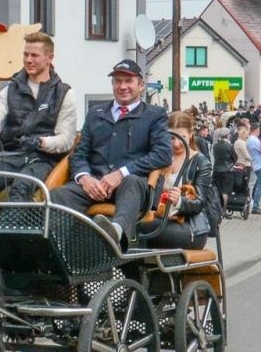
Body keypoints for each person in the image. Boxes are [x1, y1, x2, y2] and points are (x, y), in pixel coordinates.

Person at [49, 59, 172, 247]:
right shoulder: (95, 113)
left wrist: (121, 173)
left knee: (131, 182)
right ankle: (56, 249)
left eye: (128, 81)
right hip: (95, 184)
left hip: (133, 185)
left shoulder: (154, 114)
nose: (122, 86)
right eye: (118, 81)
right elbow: (79, 154)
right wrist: (84, 178)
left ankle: (114, 234)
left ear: (141, 85)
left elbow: (163, 154)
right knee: (59, 195)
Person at [0, 31, 79, 199]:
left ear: (49, 58)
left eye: (34, 55)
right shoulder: (9, 90)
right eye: (25, 54)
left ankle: (14, 218)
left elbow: (66, 139)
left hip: (44, 160)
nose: (28, 60)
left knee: (21, 187)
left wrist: (41, 142)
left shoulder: (64, 93)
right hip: (11, 156)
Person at [140, 111, 218, 250]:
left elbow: (200, 203)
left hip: (190, 227)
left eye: (182, 137)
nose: (176, 144)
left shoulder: (200, 162)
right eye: (171, 138)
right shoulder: (159, 158)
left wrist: (180, 201)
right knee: (136, 223)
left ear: (191, 134)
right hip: (160, 219)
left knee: (140, 227)